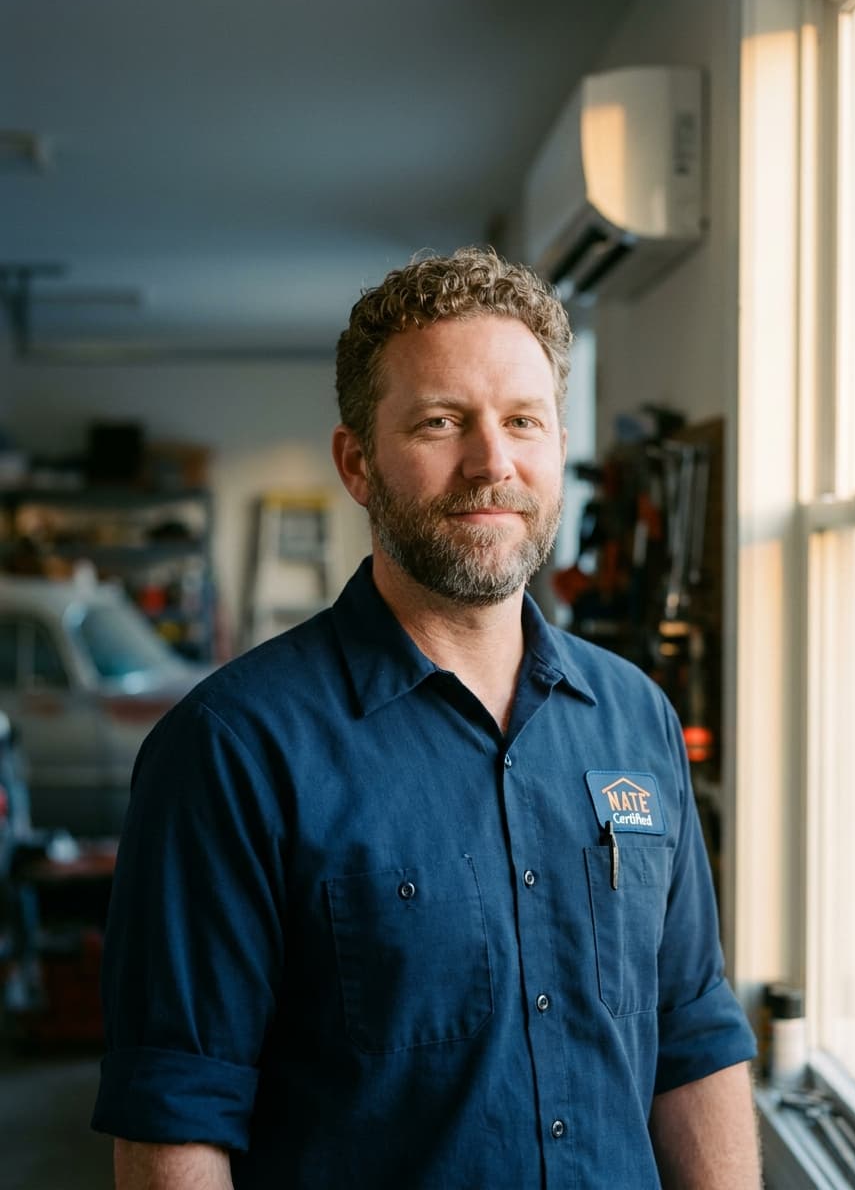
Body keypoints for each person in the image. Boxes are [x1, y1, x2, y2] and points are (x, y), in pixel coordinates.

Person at [92, 248, 761, 1189]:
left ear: (557, 446)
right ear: (358, 462)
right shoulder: (229, 751)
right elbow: (178, 1121)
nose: (493, 462)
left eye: (523, 421)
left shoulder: (634, 718)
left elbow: (691, 1034)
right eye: (442, 422)